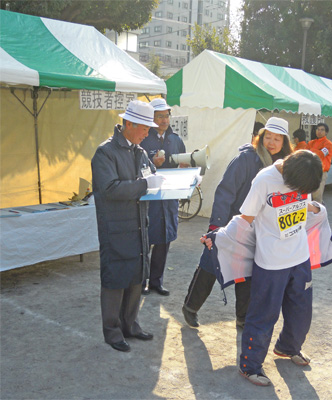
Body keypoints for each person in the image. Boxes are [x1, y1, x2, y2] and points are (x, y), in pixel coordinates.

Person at [205, 149, 323, 386]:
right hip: (271, 262)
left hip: (300, 257)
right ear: (288, 176)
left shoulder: (304, 173)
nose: (300, 192)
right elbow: (245, 218)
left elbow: (304, 207)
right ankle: (250, 366)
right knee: (263, 315)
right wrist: (216, 235)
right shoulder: (264, 180)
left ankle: (288, 347)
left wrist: (315, 208)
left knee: (301, 311)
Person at [182, 117, 293, 328]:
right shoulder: (246, 159)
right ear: (260, 138)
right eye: (267, 137)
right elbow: (225, 192)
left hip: (260, 230)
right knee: (210, 265)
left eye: (277, 139)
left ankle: (243, 317)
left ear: (284, 143)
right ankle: (190, 307)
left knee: (248, 274)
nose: (271, 142)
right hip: (232, 223)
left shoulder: (286, 166)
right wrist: (215, 227)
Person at [91, 100, 165, 352]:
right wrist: (145, 185)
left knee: (136, 277)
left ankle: (130, 325)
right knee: (114, 280)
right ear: (129, 124)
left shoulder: (139, 152)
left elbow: (152, 175)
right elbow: (109, 188)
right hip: (116, 227)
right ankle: (112, 332)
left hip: (139, 226)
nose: (148, 133)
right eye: (145, 128)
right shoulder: (105, 152)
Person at [140, 98, 186, 296]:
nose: (164, 120)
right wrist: (152, 163)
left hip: (169, 198)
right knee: (145, 240)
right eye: (160, 116)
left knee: (164, 240)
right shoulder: (143, 139)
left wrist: (188, 171)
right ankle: (141, 281)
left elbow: (184, 162)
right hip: (149, 198)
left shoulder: (176, 140)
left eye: (166, 116)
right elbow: (136, 169)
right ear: (152, 118)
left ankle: (157, 282)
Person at [307, 123, 332, 203]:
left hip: (320, 172)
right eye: (318, 129)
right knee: (308, 195)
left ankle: (318, 213)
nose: (319, 131)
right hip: (309, 171)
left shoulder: (328, 144)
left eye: (322, 130)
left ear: (326, 132)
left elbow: (321, 155)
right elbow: (304, 152)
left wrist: (310, 150)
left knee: (317, 197)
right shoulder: (311, 142)